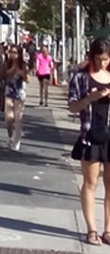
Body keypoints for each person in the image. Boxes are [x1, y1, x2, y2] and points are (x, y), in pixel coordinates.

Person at [68, 38, 110, 246]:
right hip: (90, 134)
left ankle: (108, 230)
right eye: (98, 59)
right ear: (92, 57)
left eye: (106, 59)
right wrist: (89, 99)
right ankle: (92, 229)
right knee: (91, 182)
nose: (102, 63)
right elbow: (72, 106)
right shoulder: (81, 77)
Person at [2, 43, 29, 151]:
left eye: (15, 52)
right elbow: (2, 76)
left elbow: (27, 79)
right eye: (11, 52)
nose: (13, 54)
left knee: (18, 118)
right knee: (8, 118)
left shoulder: (23, 65)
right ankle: (10, 136)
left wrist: (21, 73)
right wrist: (11, 70)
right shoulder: (6, 64)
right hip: (9, 92)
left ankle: (16, 141)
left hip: (19, 93)